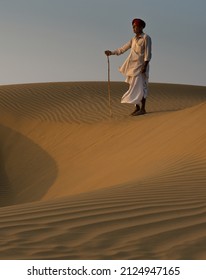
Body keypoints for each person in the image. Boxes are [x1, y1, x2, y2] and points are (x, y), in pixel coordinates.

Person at [105, 18, 152, 116]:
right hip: (132, 67)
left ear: (141, 27)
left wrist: (145, 65)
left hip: (141, 67)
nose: (134, 28)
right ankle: (137, 107)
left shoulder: (146, 38)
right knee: (132, 87)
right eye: (133, 27)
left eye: (136, 26)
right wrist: (111, 52)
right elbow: (122, 49)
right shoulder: (133, 40)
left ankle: (143, 108)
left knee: (141, 87)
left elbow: (148, 53)